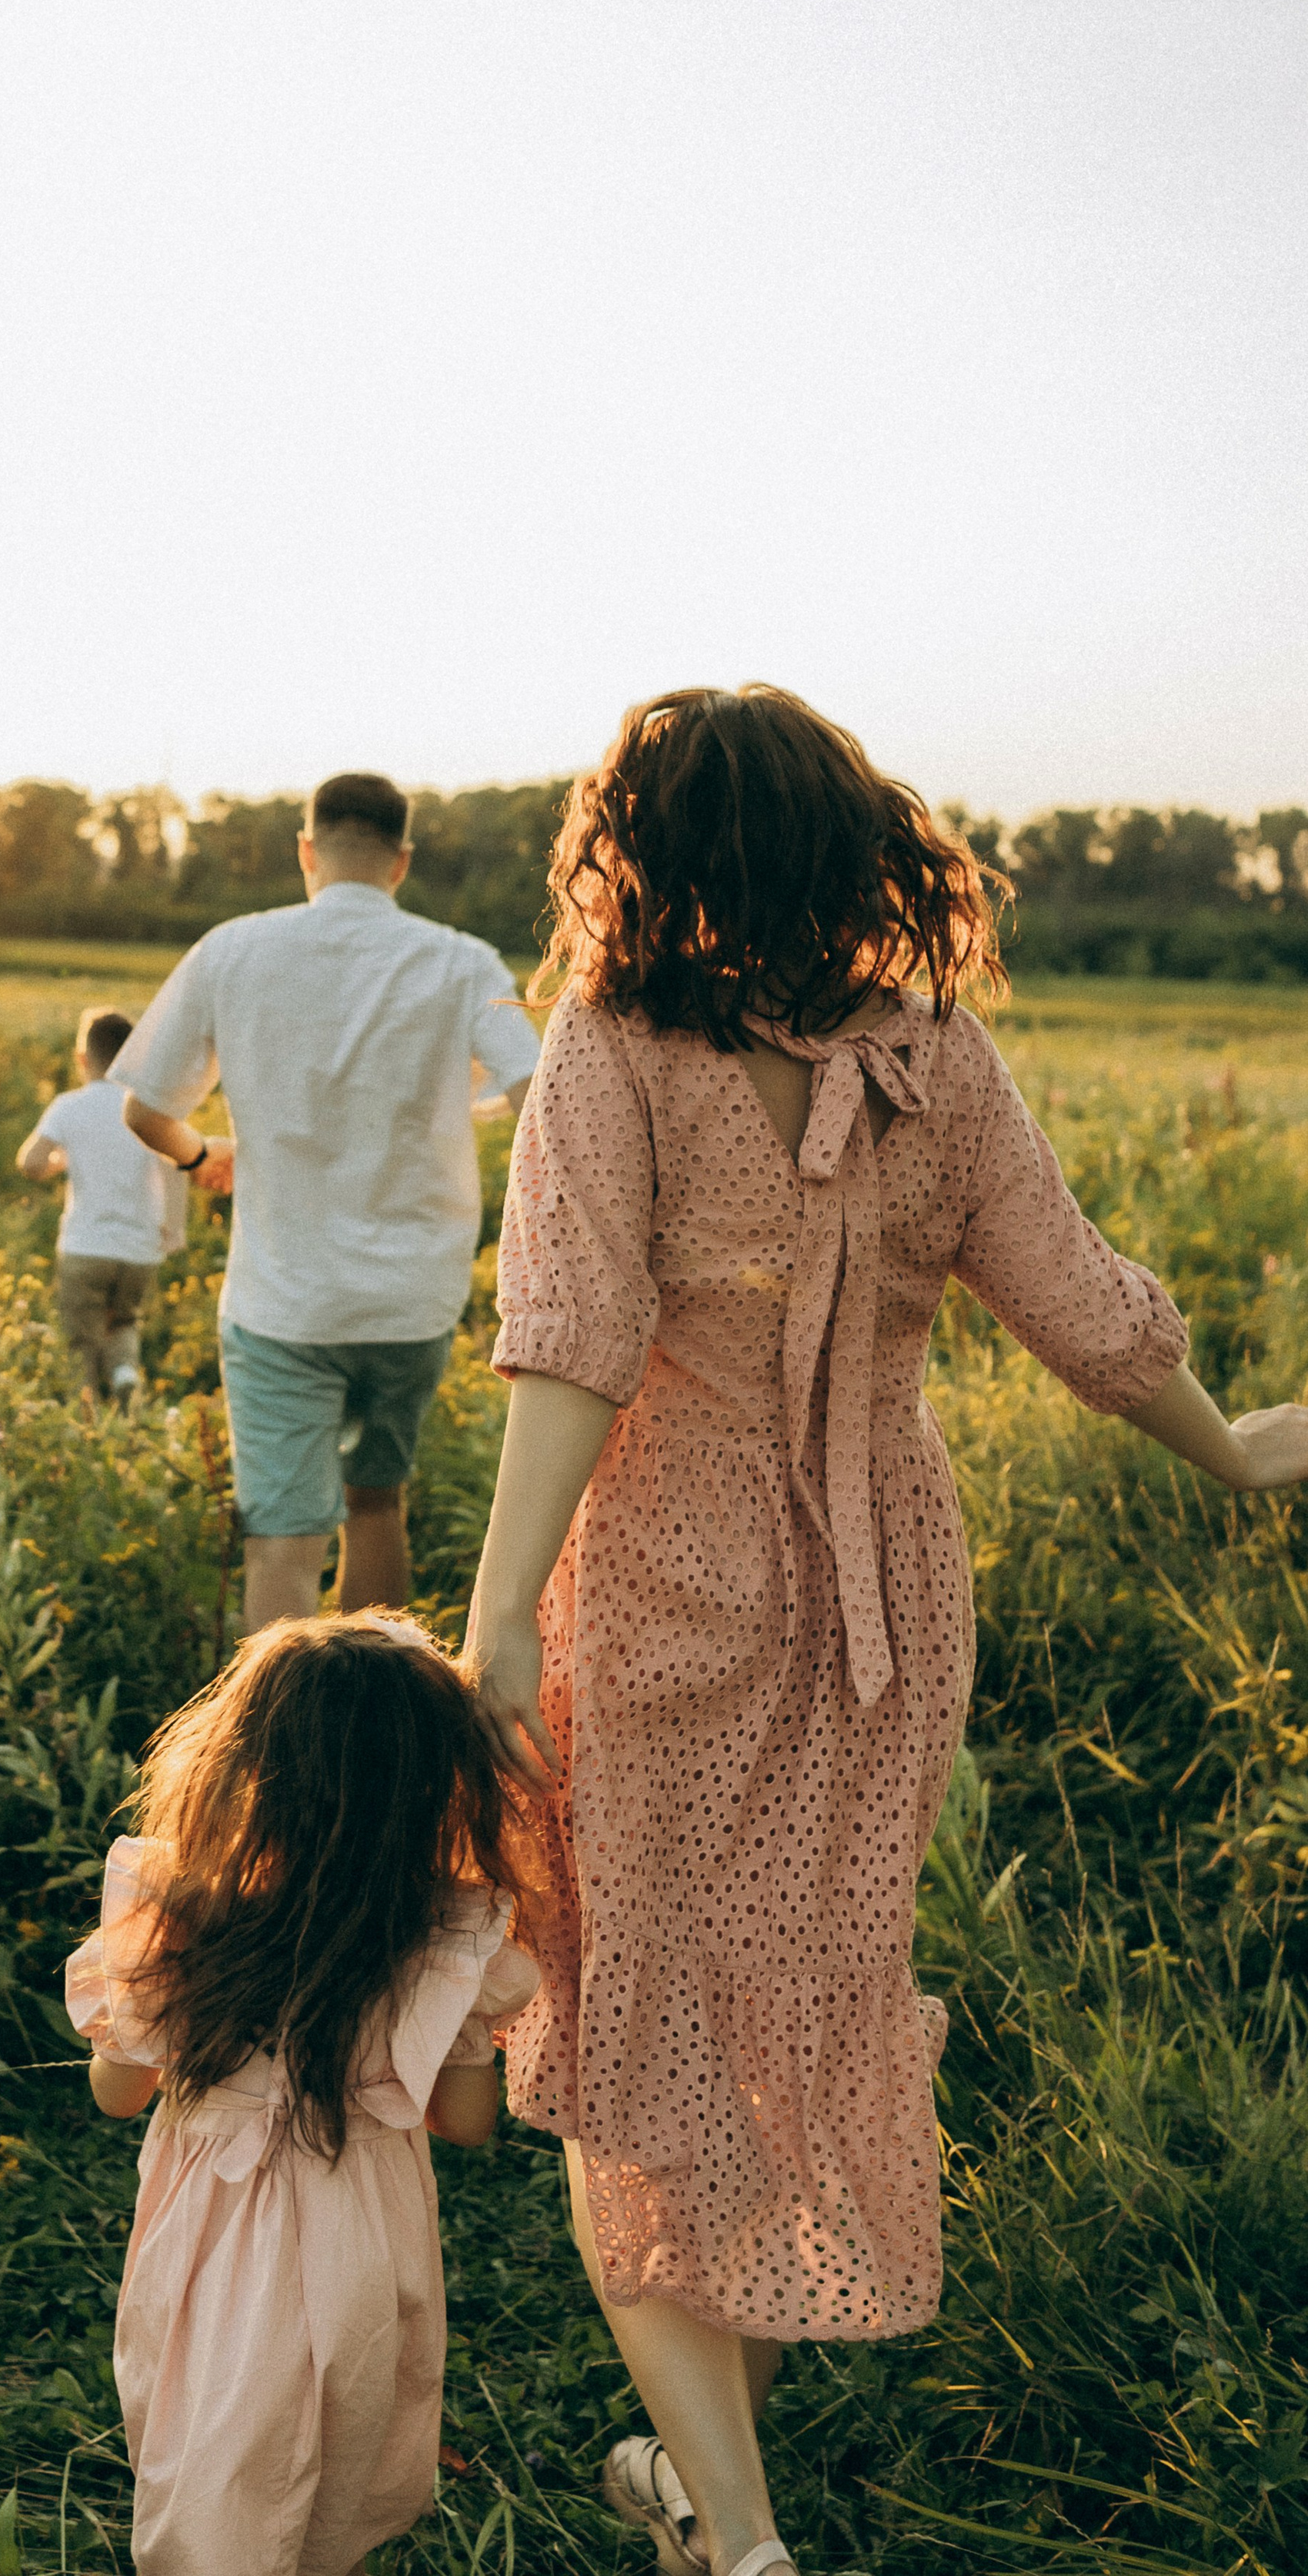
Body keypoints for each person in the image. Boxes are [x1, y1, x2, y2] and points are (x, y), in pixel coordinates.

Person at [462, 686, 1308, 2576]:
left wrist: (498, 1612)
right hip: (885, 1607)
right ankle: (693, 2478)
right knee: (785, 1997)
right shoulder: (940, 1056)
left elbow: (575, 1347)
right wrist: (1235, 1449)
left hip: (675, 1581)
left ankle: (741, 2537)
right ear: (855, 838)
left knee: (646, 2010)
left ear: (640, 851)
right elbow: (1086, 1312)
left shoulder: (605, 1048)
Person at [64, 1611, 539, 2576]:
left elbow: (118, 2096)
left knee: (216, 2436)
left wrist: (132, 2026)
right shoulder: (441, 1939)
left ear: (242, 1762)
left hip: (212, 2238)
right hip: (358, 2238)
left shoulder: (182, 1914)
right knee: (341, 2437)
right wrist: (462, 2044)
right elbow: (466, 2125)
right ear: (432, 1784)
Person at [110, 772, 540, 1630]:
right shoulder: (462, 963)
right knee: (378, 1504)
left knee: (283, 1541)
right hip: (411, 1299)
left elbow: (145, 1109)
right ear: (402, 863)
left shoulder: (232, 949)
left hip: (281, 1302)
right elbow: (543, 1098)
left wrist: (205, 1154)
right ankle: (378, 1715)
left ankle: (284, 1748)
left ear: (306, 851)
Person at [16, 1006, 186, 1408]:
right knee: (124, 1321)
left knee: (82, 1339)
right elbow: (176, 1167)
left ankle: (87, 1417)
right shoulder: (148, 1108)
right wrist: (175, 1227)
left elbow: (31, 1163)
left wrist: (62, 1161)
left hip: (85, 1246)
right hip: (138, 1248)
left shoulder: (69, 1106)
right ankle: (125, 1379)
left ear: (82, 1058)